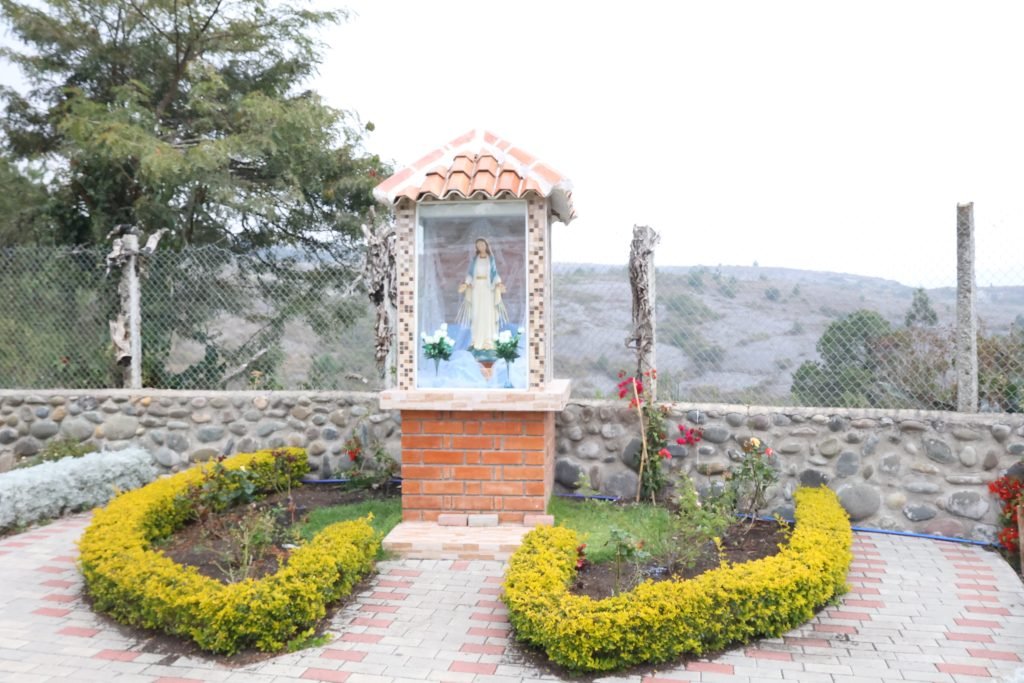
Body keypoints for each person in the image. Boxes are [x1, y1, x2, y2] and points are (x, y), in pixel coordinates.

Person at [457, 238, 508, 350]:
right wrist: (466, 284)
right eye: (478, 245)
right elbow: (470, 273)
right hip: (476, 288)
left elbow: (494, 273)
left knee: (487, 313)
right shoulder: (475, 259)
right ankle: (476, 340)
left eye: (482, 245)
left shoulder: (491, 259)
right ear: (476, 248)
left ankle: (488, 341)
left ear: (486, 246)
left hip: (488, 288)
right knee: (477, 314)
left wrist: (499, 284)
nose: (481, 247)